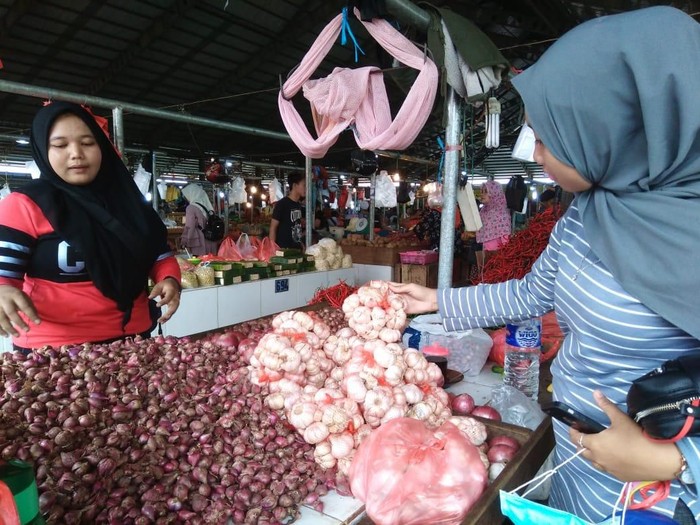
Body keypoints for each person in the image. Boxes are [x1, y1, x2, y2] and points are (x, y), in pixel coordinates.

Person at [391, 7, 700, 523]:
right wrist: (438, 301)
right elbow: (535, 293)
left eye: (547, 137)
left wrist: (670, 459)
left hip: (657, 501)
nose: (533, 155)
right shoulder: (588, 211)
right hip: (576, 471)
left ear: (615, 128)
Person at [0, 102, 181, 349]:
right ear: (43, 149)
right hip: (53, 351)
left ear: (103, 147)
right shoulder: (24, 205)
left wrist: (169, 279)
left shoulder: (130, 204)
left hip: (133, 343)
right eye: (61, 145)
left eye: (87, 143)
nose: (76, 153)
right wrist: (4, 291)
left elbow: (159, 255)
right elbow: (4, 276)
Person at [270, 171, 305, 250]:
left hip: (296, 249)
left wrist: (301, 244)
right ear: (295, 185)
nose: (306, 188)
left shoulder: (298, 205)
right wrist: (272, 249)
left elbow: (296, 226)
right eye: (304, 185)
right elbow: (273, 228)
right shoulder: (282, 204)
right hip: (283, 249)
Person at [180, 183, 219, 256]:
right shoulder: (208, 206)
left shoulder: (191, 208)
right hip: (212, 240)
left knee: (200, 265)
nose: (186, 197)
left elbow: (189, 227)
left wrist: (184, 241)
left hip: (200, 242)